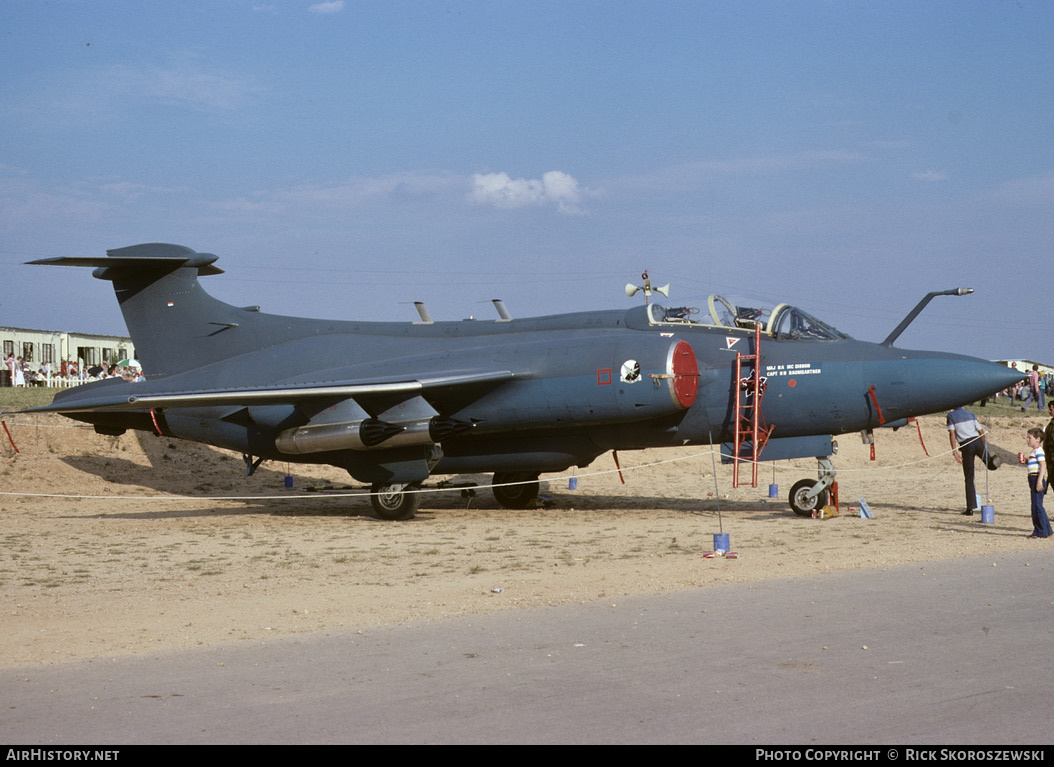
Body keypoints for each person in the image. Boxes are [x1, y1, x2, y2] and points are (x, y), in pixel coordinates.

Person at [947, 406, 1002, 516]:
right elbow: (981, 431)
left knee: (969, 476)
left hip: (966, 445)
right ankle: (993, 462)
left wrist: (954, 452)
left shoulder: (951, 416)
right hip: (977, 441)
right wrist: (984, 447)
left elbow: (952, 433)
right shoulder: (970, 414)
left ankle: (970, 508)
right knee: (989, 464)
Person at [1025, 427, 1050, 539]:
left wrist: (1039, 480)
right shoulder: (1034, 452)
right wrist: (1025, 461)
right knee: (1039, 505)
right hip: (1033, 478)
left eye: (1029, 437)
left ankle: (1040, 531)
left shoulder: (1039, 451)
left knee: (1036, 506)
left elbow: (1043, 465)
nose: (1027, 440)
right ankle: (1047, 529)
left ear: (1037, 439)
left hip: (1036, 478)